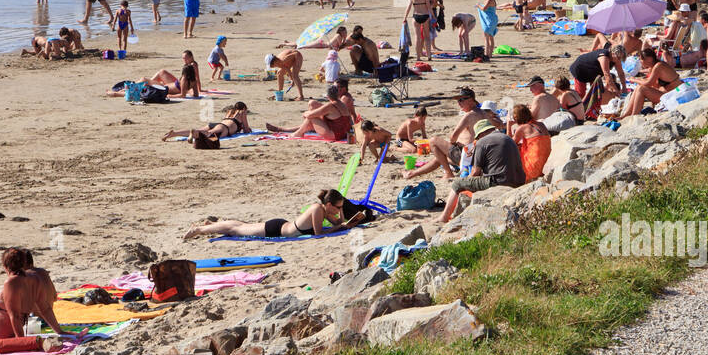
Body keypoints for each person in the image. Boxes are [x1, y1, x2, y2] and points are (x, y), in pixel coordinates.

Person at [184, 189, 366, 240]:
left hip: (282, 226)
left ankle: (211, 224)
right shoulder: (318, 209)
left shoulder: (324, 211)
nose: (338, 210)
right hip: (276, 230)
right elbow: (318, 234)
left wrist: (342, 217)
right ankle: (199, 229)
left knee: (242, 224)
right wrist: (339, 227)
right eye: (337, 207)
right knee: (236, 229)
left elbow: (338, 222)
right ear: (328, 204)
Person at [407, 87, 501, 183]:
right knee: (440, 157)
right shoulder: (484, 113)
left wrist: (455, 143)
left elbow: (453, 137)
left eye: (461, 100)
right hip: (479, 156)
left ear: (471, 100)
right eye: (458, 100)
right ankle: (412, 174)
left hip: (467, 156)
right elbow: (499, 125)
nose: (459, 103)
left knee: (433, 141)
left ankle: (448, 173)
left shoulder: (469, 115)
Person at [441, 119, 527, 222]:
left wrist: (466, 180)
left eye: (477, 137)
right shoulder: (507, 138)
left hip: (499, 181)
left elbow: (475, 172)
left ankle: (443, 218)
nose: (477, 140)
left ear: (481, 133)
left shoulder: (482, 142)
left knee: (457, 184)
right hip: (519, 181)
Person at [267, 86, 352, 142]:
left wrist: (306, 113)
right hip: (344, 133)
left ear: (328, 96)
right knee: (312, 104)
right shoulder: (341, 104)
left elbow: (310, 116)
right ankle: (298, 130)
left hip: (334, 135)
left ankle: (298, 133)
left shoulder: (330, 105)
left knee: (311, 118)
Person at [163, 102, 251, 145]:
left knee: (200, 130)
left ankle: (174, 133)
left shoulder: (230, 112)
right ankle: (194, 134)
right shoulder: (242, 113)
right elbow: (246, 130)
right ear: (244, 108)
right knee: (209, 135)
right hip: (224, 128)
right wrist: (246, 128)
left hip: (217, 124)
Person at [508, 105, 551, 183]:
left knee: (513, 149)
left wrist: (508, 125)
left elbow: (508, 143)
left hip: (534, 166)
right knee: (520, 146)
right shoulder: (541, 124)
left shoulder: (522, 128)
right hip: (546, 161)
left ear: (516, 118)